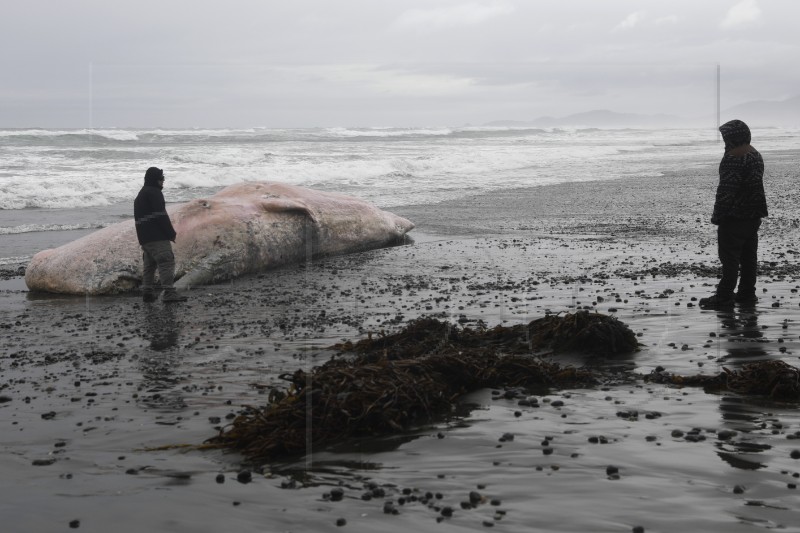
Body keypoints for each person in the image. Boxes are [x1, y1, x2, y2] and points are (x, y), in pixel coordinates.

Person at [699, 119, 767, 309]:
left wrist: (718, 215)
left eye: (725, 137)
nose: (724, 141)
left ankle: (724, 296)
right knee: (748, 257)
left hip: (734, 216)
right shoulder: (755, 155)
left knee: (729, 258)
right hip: (754, 214)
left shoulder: (733, 158)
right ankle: (746, 294)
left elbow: (726, 191)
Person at [134, 166, 187, 303]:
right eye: (161, 178)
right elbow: (161, 216)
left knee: (149, 265)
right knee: (166, 261)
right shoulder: (154, 193)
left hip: (145, 238)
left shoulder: (140, 195)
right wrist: (170, 233)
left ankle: (147, 293)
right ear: (155, 180)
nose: (163, 181)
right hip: (157, 237)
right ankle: (169, 293)